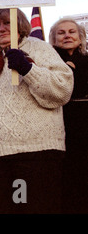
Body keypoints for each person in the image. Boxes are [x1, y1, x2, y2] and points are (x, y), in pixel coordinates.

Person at [0, 8, 74, 214]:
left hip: (36, 152)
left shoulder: (39, 48)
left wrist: (28, 69)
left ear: (20, 25)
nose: (2, 28)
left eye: (7, 23)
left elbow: (62, 90)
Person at [49, 17, 88, 213]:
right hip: (58, 132)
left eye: (72, 32)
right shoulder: (48, 64)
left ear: (80, 38)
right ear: (53, 39)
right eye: (61, 33)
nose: (67, 36)